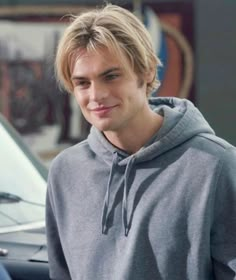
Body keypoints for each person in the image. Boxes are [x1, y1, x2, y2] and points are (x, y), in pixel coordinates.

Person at [46, 4, 236, 280]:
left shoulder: (216, 166)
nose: (96, 95)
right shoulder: (65, 171)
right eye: (82, 83)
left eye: (111, 76)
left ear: (146, 71)